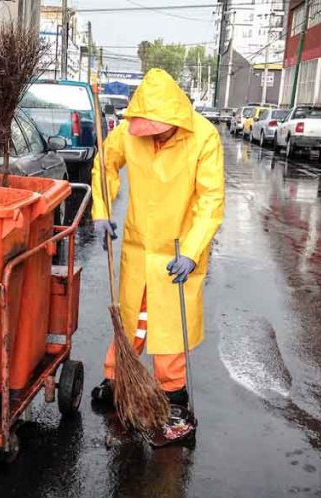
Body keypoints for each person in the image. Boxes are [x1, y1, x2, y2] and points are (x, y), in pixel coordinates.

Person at [90, 68, 225, 413]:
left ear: (174, 121)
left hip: (179, 250)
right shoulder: (127, 133)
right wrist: (101, 210)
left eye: (157, 132)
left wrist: (193, 252)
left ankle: (172, 393)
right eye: (146, 132)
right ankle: (118, 379)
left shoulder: (204, 138)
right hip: (139, 247)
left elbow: (211, 200)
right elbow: (105, 165)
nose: (151, 138)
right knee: (131, 320)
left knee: (171, 329)